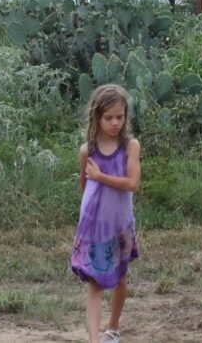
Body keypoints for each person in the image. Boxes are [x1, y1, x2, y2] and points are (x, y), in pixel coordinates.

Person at [71, 84, 141, 343]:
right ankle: (93, 339)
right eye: (108, 118)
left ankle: (112, 328)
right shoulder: (87, 150)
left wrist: (101, 176)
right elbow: (85, 186)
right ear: (96, 117)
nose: (114, 123)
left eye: (119, 117)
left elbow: (132, 183)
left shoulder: (130, 146)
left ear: (125, 117)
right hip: (93, 226)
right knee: (95, 283)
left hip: (120, 225)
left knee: (119, 278)